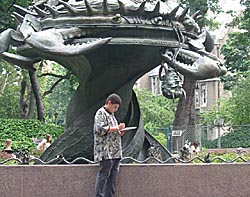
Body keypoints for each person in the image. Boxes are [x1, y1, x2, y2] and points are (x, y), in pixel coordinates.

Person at [94, 93, 126, 197]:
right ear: (109, 103)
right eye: (115, 107)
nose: (116, 109)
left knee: (113, 176)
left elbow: (112, 131)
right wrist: (117, 128)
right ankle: (99, 195)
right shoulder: (100, 113)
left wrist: (120, 132)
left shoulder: (112, 116)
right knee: (104, 175)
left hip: (115, 151)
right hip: (105, 151)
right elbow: (100, 129)